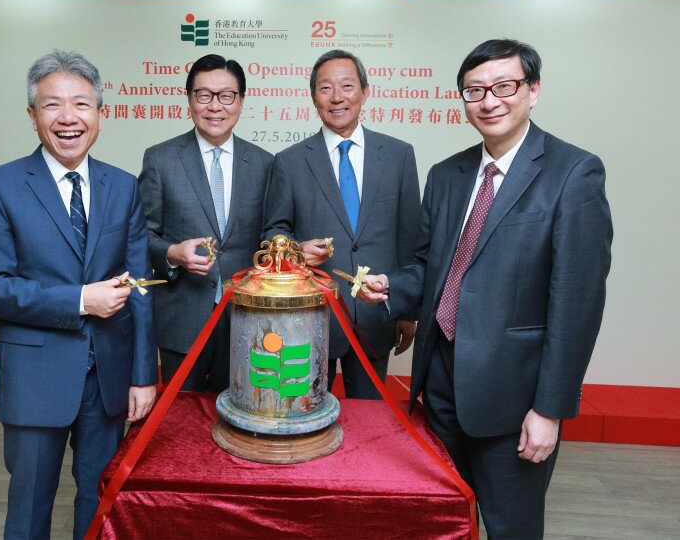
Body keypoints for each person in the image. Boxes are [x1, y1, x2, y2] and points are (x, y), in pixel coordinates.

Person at [359, 39, 613, 538]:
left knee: (510, 527)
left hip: (515, 399)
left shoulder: (572, 172)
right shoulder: (447, 174)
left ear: (533, 90)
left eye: (504, 86)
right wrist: (393, 286)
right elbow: (431, 268)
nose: (489, 101)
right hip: (439, 386)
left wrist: (550, 409)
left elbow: (577, 304)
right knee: (445, 522)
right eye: (475, 90)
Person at [0, 50, 157, 539]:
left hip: (110, 379)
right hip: (36, 377)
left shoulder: (122, 186)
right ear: (33, 117)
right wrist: (79, 300)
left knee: (100, 500)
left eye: (82, 104)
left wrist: (142, 376)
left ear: (101, 114)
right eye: (52, 105)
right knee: (30, 504)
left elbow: (138, 286)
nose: (68, 117)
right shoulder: (1, 185)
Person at [263, 49, 421, 399]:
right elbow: (273, 229)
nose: (337, 97)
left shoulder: (398, 155)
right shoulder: (289, 162)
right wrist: (295, 250)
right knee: (304, 419)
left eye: (347, 86)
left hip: (376, 315)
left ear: (366, 91)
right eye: (325, 88)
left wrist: (408, 311)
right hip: (310, 319)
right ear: (313, 98)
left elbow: (410, 240)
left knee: (371, 423)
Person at [139, 54, 273, 392]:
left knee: (240, 419)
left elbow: (272, 236)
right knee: (180, 425)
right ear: (189, 100)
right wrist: (172, 253)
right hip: (182, 318)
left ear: (241, 101)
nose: (215, 106)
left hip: (246, 318)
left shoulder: (266, 164)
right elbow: (140, 234)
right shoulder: (160, 159)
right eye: (204, 95)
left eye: (226, 95)